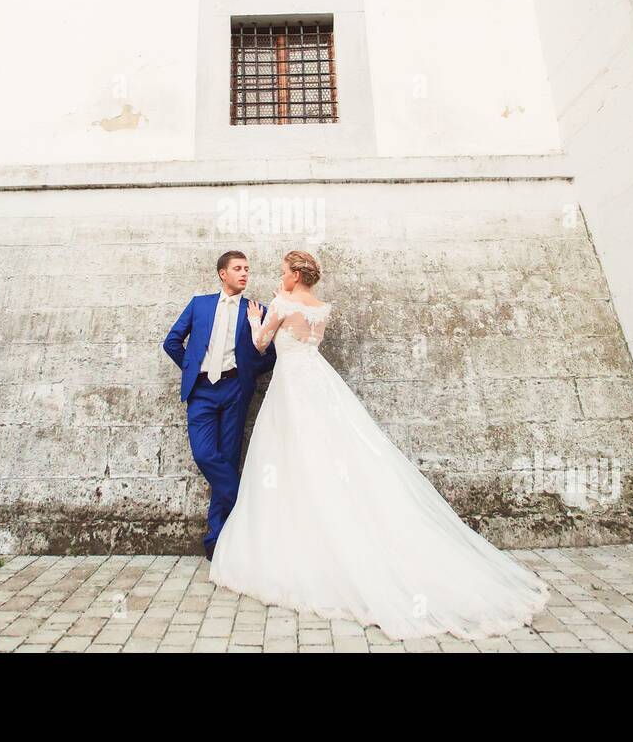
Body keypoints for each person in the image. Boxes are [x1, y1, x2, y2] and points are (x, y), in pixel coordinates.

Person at [208, 249, 551, 640]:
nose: (280, 276)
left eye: (284, 271)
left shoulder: (283, 302)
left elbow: (260, 344)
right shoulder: (322, 308)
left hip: (290, 388)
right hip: (318, 384)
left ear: (296, 275)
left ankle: (301, 549)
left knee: (289, 457)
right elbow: (307, 343)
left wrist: (255, 320)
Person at [163, 250, 276, 560]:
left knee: (227, 457)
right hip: (201, 391)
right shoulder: (199, 305)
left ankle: (216, 540)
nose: (244, 274)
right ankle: (247, 501)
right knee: (205, 454)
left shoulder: (257, 310)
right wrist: (191, 368)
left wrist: (246, 374)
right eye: (237, 269)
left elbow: (270, 356)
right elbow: (172, 341)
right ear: (222, 274)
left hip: (235, 390)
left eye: (247, 269)